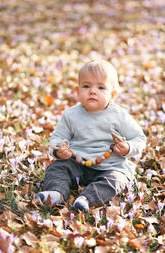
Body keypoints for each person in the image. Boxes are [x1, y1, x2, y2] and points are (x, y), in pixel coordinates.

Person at [35, 58, 146, 213]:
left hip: (111, 167)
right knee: (56, 168)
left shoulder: (119, 116)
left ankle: (86, 199)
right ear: (77, 90)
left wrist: (127, 148)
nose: (93, 91)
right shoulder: (71, 115)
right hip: (77, 165)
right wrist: (59, 149)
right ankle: (56, 193)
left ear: (112, 94)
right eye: (86, 86)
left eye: (101, 87)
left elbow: (139, 138)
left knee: (116, 180)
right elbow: (57, 137)